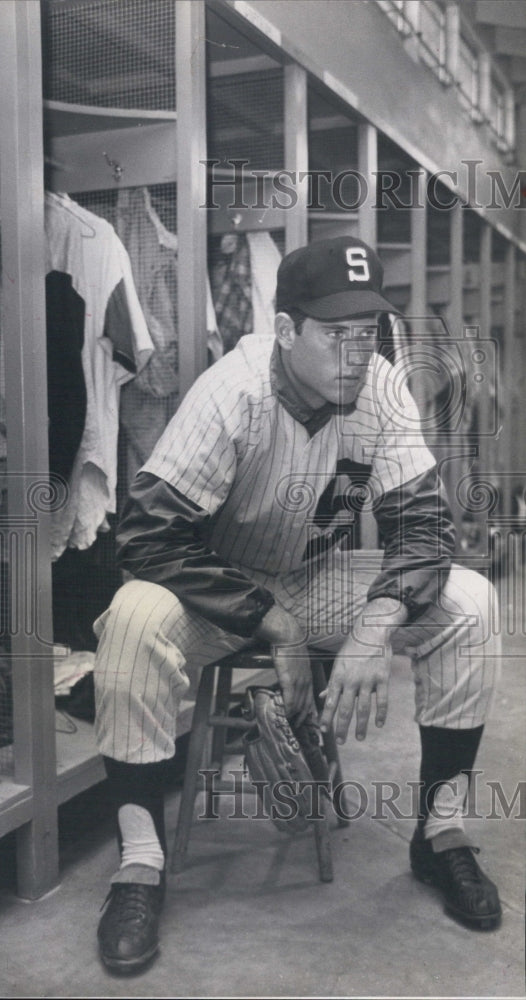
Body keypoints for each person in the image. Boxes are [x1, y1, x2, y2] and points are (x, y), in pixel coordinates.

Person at [93, 236, 502, 974]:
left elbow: (425, 528)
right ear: (286, 331)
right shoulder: (232, 391)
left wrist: (375, 628)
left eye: (366, 331)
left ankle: (441, 836)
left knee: (472, 603)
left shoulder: (379, 384)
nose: (356, 353)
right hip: (219, 588)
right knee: (130, 620)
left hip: (321, 576)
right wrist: (271, 622)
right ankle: (139, 865)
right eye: (335, 334)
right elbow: (148, 535)